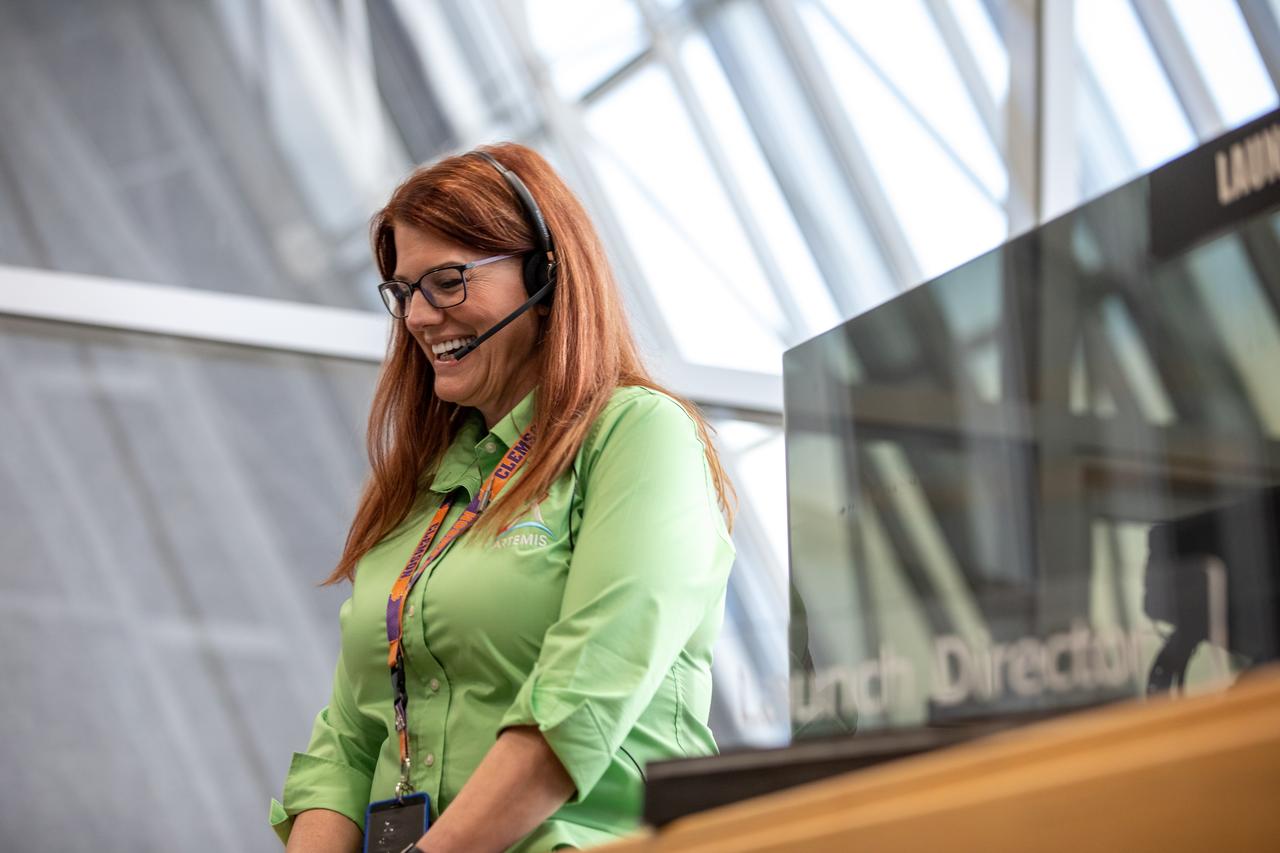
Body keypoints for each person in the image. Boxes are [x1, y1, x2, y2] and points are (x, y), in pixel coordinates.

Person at [269, 142, 736, 853]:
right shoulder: (420, 489)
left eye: (449, 281)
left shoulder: (638, 436)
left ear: (544, 274)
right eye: (403, 292)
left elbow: (578, 702)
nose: (420, 317)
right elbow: (348, 741)